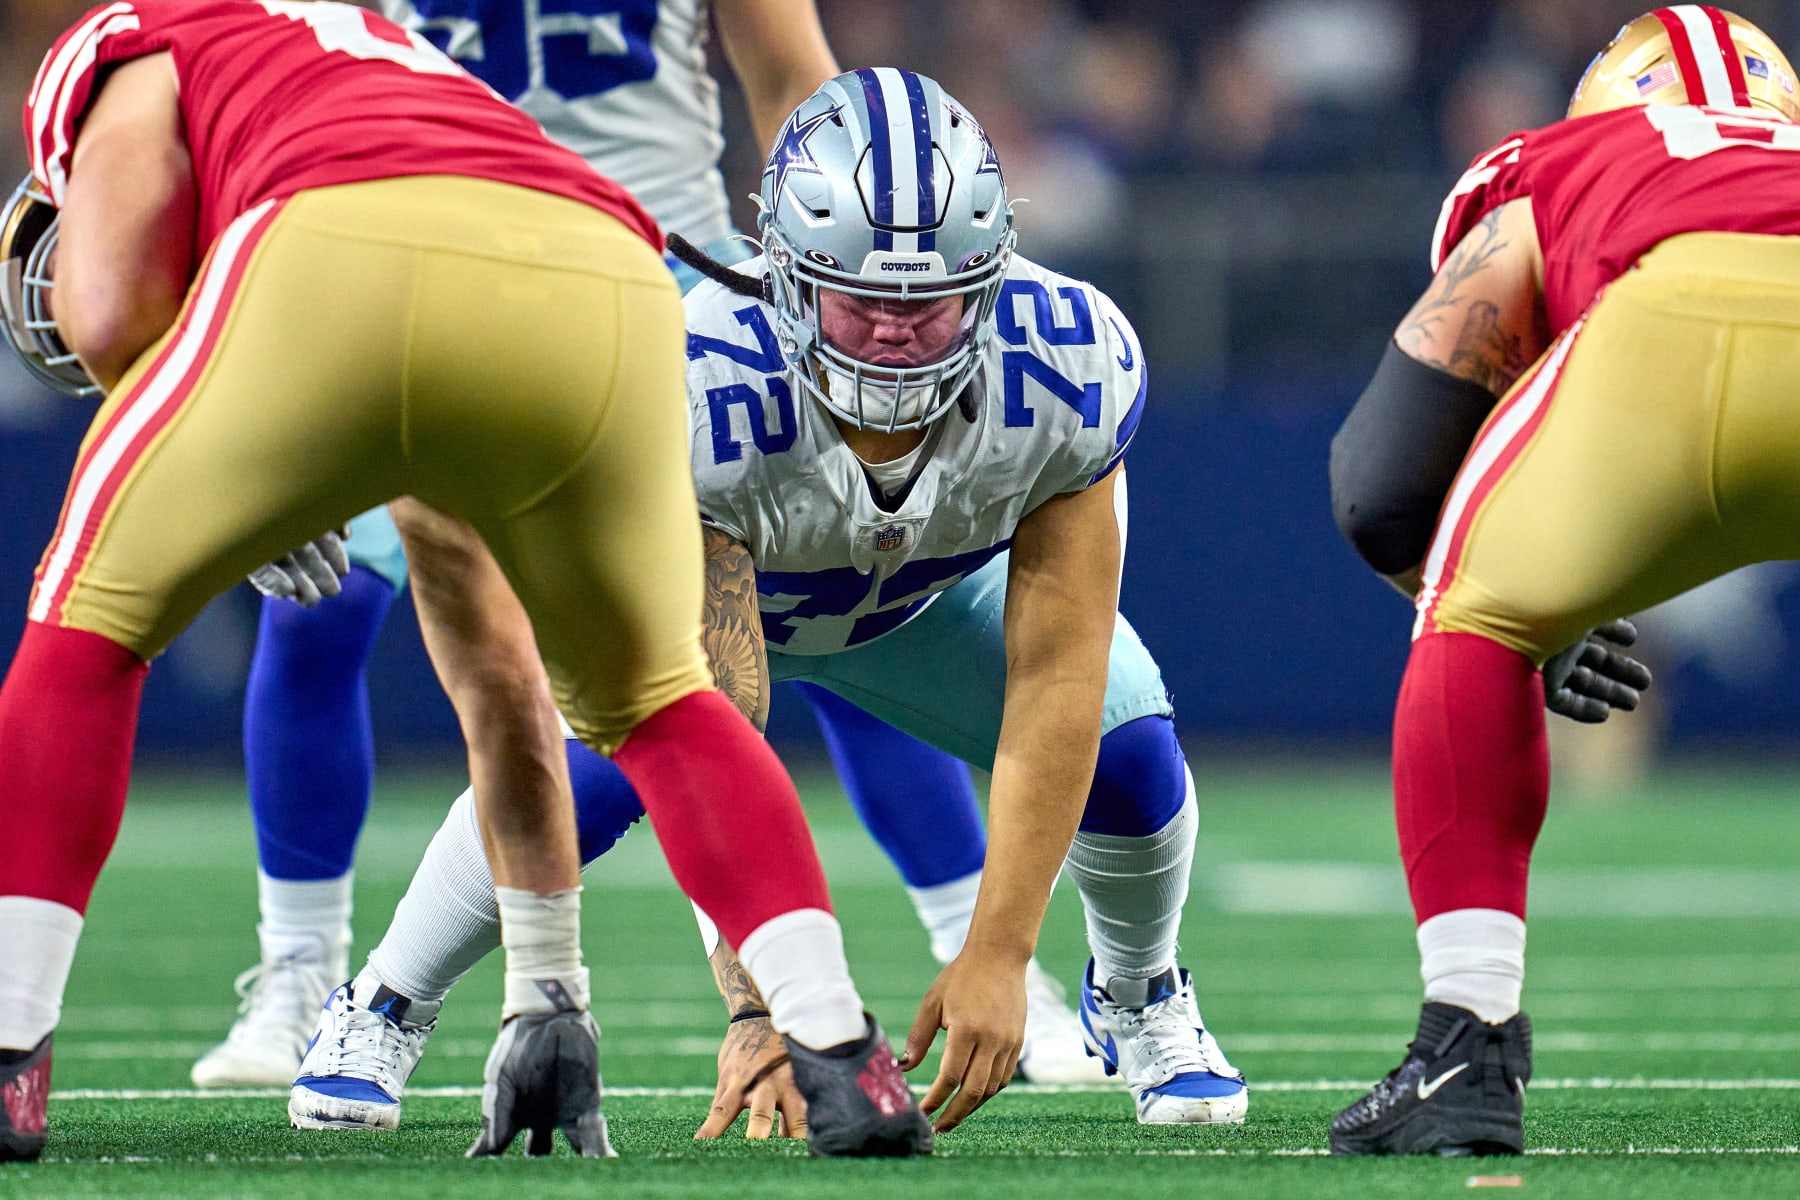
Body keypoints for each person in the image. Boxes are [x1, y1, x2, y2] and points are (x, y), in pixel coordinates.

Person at [0, 0, 930, 1163]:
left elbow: (104, 306)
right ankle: (840, 1054)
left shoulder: (137, 32)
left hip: (336, 250)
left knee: (85, 624)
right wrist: (549, 994)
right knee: (657, 697)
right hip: (605, 268)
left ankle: (7, 1051)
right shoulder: (394, 67)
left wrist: (214, 440)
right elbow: (494, 681)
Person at [290, 67, 1250, 1139]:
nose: (894, 331)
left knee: (1127, 745)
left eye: (928, 305)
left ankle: (1140, 992)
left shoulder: (1067, 360)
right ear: (787, 277)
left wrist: (999, 953)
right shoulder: (696, 371)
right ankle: (383, 1001)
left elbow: (1057, 674)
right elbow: (714, 727)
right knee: (589, 773)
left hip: (923, 611)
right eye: (863, 299)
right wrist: (758, 1009)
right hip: (730, 614)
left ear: (989, 282)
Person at [1325, 4, 1800, 1157]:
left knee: (1471, 610)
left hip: (1671, 317)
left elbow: (1378, 484)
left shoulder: (1562, 162)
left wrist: (1526, 621)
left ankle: (1468, 1044)